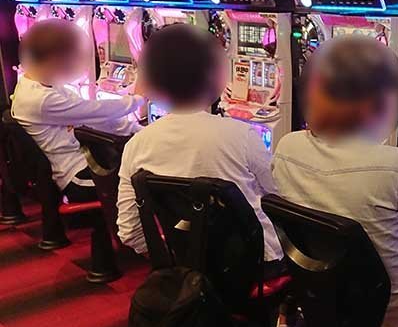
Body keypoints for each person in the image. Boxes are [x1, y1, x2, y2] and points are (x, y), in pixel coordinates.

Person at [271, 36, 398, 327]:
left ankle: (297, 314)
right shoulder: (397, 164)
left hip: (324, 299)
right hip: (394, 315)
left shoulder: (287, 146)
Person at [115, 24, 283, 266]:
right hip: (255, 264)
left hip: (182, 262)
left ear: (150, 81)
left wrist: (174, 258)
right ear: (216, 77)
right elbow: (278, 197)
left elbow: (129, 231)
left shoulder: (136, 145)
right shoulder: (242, 136)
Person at [11, 19, 143, 202]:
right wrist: (138, 99)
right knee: (140, 179)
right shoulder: (40, 99)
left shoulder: (40, 83)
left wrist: (139, 131)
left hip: (84, 161)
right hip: (76, 177)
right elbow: (94, 111)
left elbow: (93, 117)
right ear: (55, 59)